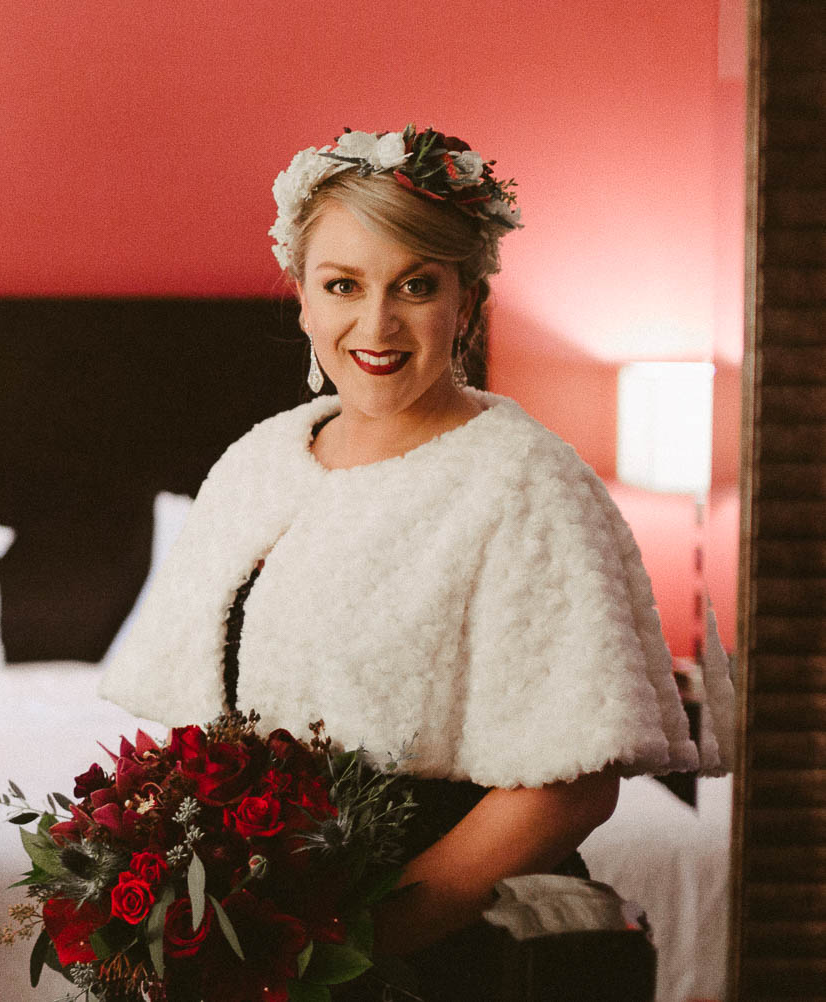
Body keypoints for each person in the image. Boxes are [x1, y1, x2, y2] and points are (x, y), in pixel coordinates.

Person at [98, 125, 735, 1000]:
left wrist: (354, 942)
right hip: (263, 930)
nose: (376, 324)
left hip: (440, 940)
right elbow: (204, 717)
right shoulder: (261, 460)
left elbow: (575, 787)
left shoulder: (523, 479)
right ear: (303, 303)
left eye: (416, 286)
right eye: (343, 286)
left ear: (466, 304)